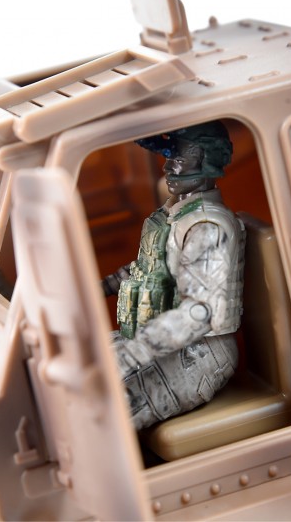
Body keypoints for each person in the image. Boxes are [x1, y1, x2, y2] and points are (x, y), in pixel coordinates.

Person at [102, 121, 245, 430]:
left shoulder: (207, 226)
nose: (169, 165)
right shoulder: (175, 216)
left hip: (199, 353)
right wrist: (100, 288)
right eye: (170, 155)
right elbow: (149, 270)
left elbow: (199, 313)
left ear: (207, 160)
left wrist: (130, 355)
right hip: (160, 339)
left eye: (183, 156)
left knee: (94, 415)